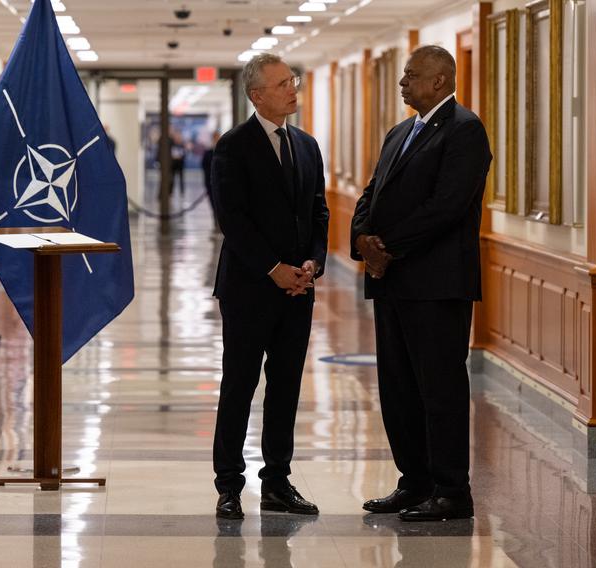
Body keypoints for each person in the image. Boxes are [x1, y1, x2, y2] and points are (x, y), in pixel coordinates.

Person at [350, 45, 492, 522]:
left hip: (435, 284)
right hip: (392, 284)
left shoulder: (465, 130)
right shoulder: (399, 132)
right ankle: (414, 482)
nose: (402, 82)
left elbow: (447, 206)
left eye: (411, 76)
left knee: (439, 388)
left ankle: (452, 490)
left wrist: (386, 246)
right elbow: (372, 192)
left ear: (439, 81)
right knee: (398, 387)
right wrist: (361, 239)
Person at [211, 53, 329, 520]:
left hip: (298, 289)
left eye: (293, 80)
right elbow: (232, 219)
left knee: (286, 387)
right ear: (257, 95)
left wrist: (311, 264)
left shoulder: (306, 144)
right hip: (248, 289)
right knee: (238, 384)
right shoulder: (233, 146)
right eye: (283, 84)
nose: (292, 89)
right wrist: (272, 268)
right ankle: (229, 485)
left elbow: (318, 210)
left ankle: (278, 481)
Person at [202, 131, 221, 225]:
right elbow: (205, 167)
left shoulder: (224, 150)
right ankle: (215, 219)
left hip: (221, 183)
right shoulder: (208, 153)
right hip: (210, 183)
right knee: (213, 203)